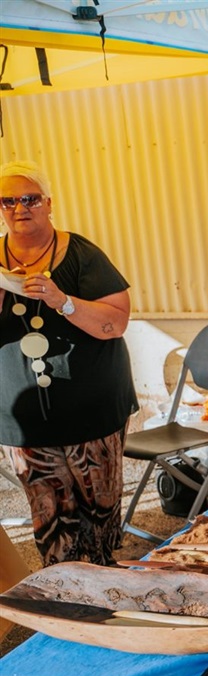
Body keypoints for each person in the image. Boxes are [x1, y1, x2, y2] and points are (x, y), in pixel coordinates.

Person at [0, 161, 137, 566]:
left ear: (48, 204)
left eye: (30, 198)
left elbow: (116, 323)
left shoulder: (80, 253)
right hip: (22, 417)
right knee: (49, 516)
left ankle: (104, 581)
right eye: (8, 201)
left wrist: (63, 301)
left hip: (91, 408)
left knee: (99, 507)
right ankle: (67, 594)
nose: (20, 208)